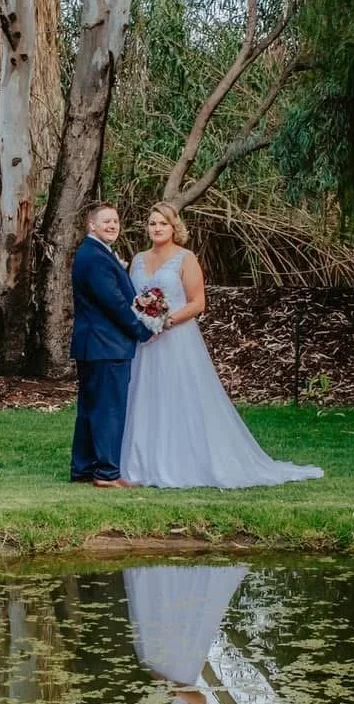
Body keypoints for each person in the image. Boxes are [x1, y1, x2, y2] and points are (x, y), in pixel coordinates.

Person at [121, 202, 324, 489]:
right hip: (146, 342)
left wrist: (166, 321)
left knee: (180, 397)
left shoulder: (185, 258)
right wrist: (143, 319)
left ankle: (181, 461)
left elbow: (197, 303)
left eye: (163, 224)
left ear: (174, 226)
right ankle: (142, 462)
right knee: (144, 397)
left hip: (176, 338)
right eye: (152, 223)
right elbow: (134, 297)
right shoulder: (139, 259)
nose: (157, 228)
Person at [71, 202, 160, 487]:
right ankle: (106, 473)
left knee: (90, 408)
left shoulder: (95, 253)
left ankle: (83, 468)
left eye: (115, 221)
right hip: (106, 344)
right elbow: (115, 304)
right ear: (91, 225)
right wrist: (142, 330)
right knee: (108, 409)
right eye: (106, 221)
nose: (112, 226)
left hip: (94, 345)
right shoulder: (95, 257)